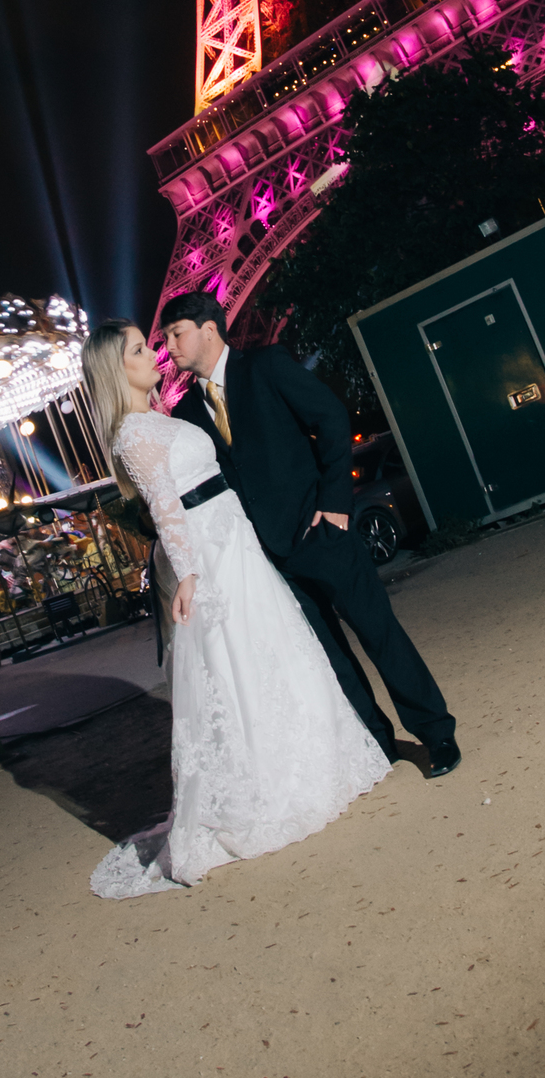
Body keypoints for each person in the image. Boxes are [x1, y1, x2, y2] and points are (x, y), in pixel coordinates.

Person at [81, 319, 389, 895]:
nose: (154, 354)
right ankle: (269, 788)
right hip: (212, 552)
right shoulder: (132, 433)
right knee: (242, 663)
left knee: (272, 651)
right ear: (114, 369)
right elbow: (167, 508)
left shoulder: (156, 419)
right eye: (139, 350)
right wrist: (190, 575)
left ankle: (315, 767)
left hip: (234, 538)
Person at [160, 291, 460, 778]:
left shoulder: (266, 366)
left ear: (208, 329)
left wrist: (336, 503)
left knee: (379, 633)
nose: (169, 347)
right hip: (269, 555)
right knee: (330, 655)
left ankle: (437, 733)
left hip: (322, 531)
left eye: (176, 334)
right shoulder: (187, 415)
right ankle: (378, 745)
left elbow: (331, 418)